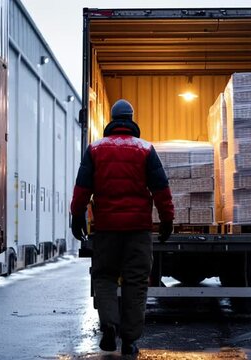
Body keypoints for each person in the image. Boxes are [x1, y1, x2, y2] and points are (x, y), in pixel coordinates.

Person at [70, 99, 174, 356]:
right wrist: (167, 219)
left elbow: (83, 187)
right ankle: (129, 340)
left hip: (106, 229)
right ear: (131, 118)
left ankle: (109, 325)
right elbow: (161, 189)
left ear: (113, 120)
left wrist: (77, 215)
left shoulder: (95, 149)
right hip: (138, 230)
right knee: (136, 282)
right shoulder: (145, 149)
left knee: (104, 277)